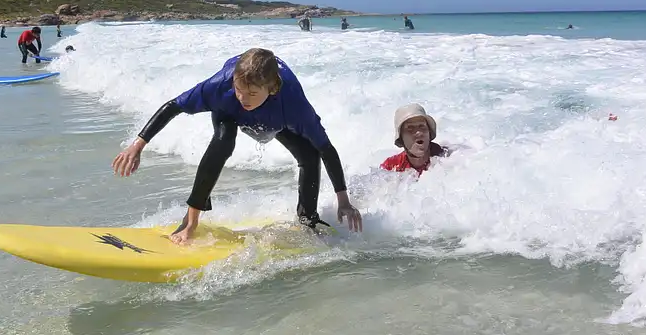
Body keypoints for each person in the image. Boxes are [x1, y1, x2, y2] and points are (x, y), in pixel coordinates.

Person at [113, 48, 363, 244]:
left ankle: (308, 220)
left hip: (275, 117)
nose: (243, 98)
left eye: (251, 94)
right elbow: (173, 106)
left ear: (272, 88)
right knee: (222, 142)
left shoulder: (293, 105)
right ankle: (191, 221)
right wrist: (137, 145)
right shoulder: (221, 87)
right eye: (240, 90)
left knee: (309, 155)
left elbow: (326, 149)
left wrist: (343, 200)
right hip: (228, 114)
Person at [381, 104, 449, 175]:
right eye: (410, 128)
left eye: (422, 126)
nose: (419, 133)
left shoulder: (447, 158)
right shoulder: (390, 167)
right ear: (401, 138)